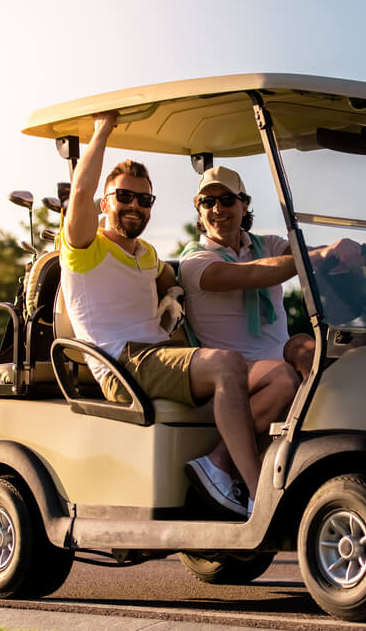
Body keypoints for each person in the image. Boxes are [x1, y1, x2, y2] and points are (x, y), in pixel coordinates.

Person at [60, 112, 287, 518]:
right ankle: (258, 495)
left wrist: (174, 296)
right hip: (122, 362)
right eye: (124, 197)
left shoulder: (144, 253)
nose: (134, 206)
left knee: (282, 378)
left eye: (144, 200)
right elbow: (79, 194)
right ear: (104, 202)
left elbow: (170, 278)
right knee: (227, 364)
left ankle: (218, 465)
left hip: (158, 355)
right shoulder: (83, 247)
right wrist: (102, 130)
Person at [179, 164, 366, 378]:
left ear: (244, 205)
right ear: (199, 210)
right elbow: (252, 274)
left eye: (226, 199)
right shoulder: (195, 260)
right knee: (290, 370)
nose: (217, 209)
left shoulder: (267, 245)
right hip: (232, 371)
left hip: (281, 355)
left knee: (329, 351)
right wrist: (320, 256)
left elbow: (315, 256)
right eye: (207, 202)